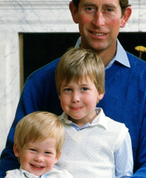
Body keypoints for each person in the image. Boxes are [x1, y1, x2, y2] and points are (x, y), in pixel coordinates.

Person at [0, 0, 146, 177]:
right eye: (89, 9)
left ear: (125, 16)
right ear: (74, 12)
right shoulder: (40, 81)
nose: (98, 21)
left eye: (109, 9)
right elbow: (16, 155)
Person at [54, 47, 133, 177]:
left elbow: (125, 175)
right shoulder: (50, 129)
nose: (75, 98)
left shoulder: (118, 133)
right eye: (68, 89)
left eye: (84, 88)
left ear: (100, 92)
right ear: (59, 94)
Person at [5, 111, 73, 178]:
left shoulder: (63, 176)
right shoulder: (13, 176)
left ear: (57, 156)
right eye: (33, 150)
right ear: (17, 150)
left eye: (47, 152)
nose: (39, 159)